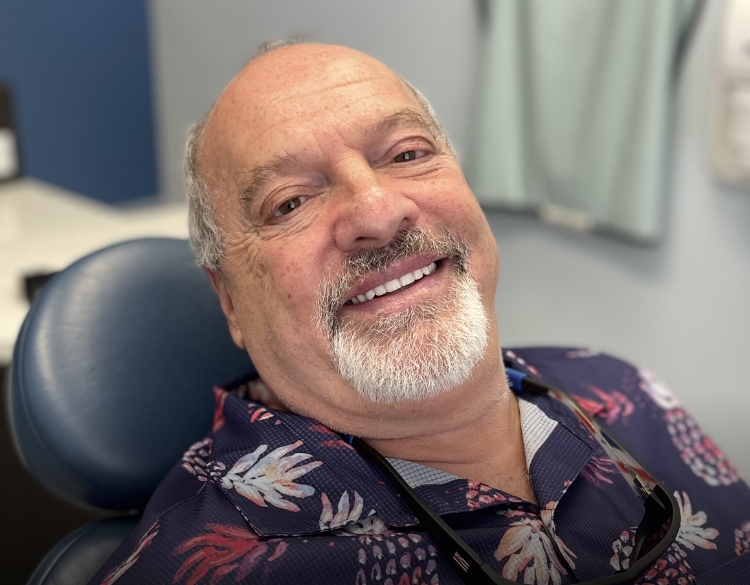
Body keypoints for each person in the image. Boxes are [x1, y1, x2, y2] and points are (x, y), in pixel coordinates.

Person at [90, 40, 750, 585]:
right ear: (229, 297)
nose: (378, 212)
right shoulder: (201, 565)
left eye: (407, 154)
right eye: (290, 202)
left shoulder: (622, 390)